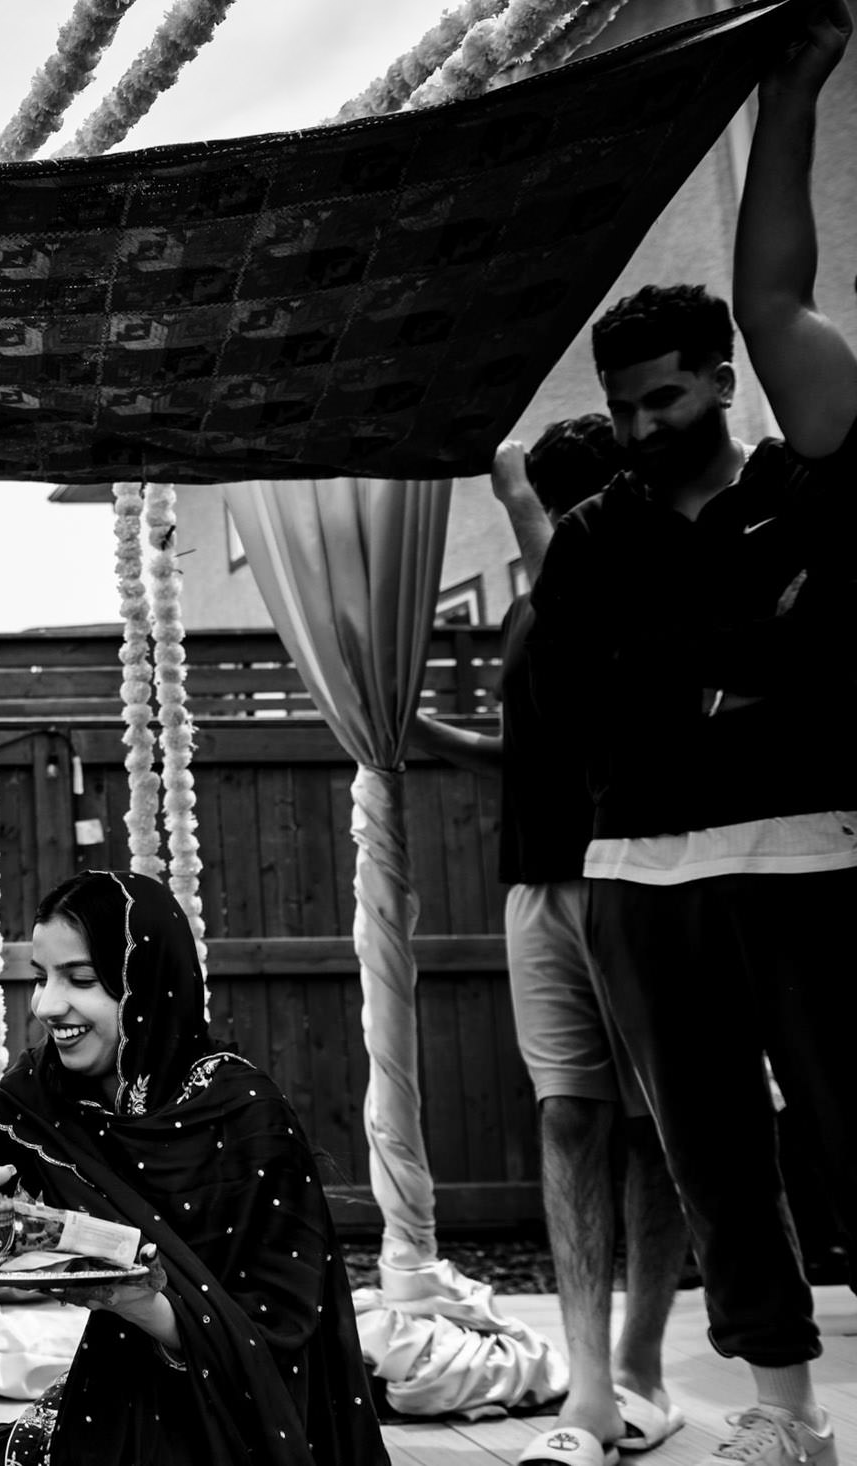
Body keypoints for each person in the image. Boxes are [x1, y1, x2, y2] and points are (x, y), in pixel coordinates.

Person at [526, 4, 857, 1463]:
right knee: (714, 1160)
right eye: (623, 405)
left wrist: (792, 100)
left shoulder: (805, 479)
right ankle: (779, 1416)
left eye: (666, 397)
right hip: (640, 879)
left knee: (852, 1133)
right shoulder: (592, 532)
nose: (645, 422)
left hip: (808, 857)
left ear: (721, 383)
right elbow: (587, 692)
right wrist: (754, 654)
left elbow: (786, 296)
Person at [0, 871, 387, 1466]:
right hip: (111, 1403)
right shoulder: (43, 1092)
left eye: (81, 980)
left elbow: (282, 1338)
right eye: (41, 978)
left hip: (243, 1430)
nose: (47, 1005)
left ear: (147, 985)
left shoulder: (247, 1117)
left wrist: (136, 1304)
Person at [413, 419, 692, 1466]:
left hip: (635, 870)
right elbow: (533, 750)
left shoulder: (618, 578)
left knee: (660, 1126)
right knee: (570, 1118)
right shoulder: (537, 616)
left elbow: (516, 488)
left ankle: (643, 1368)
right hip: (536, 880)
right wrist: (429, 738)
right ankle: (590, 1396)